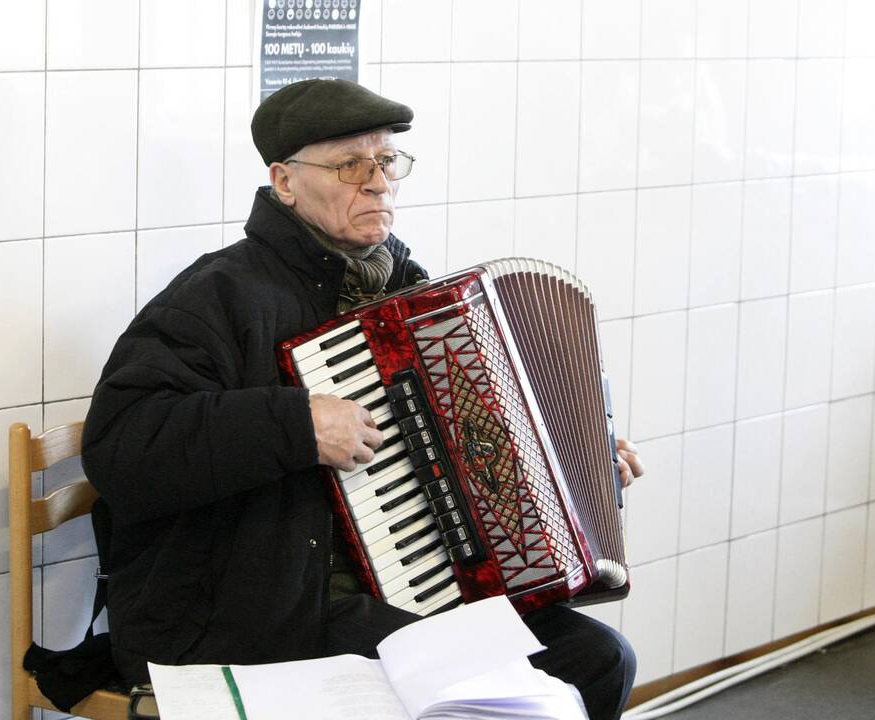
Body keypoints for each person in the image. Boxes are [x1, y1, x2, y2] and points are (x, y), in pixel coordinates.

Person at [81, 78, 643, 720]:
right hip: (252, 608)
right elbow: (122, 445)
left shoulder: (408, 291)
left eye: (387, 162)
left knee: (597, 660)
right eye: (350, 165)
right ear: (284, 182)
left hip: (388, 590)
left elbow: (464, 459)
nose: (377, 182)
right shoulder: (217, 296)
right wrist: (295, 424)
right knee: (508, 689)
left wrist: (576, 473)